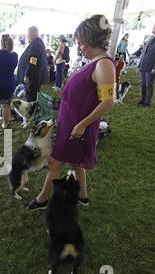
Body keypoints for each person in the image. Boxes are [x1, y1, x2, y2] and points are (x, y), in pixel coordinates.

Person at [27, 14, 116, 210]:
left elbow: (108, 101)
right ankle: (83, 196)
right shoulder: (97, 62)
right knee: (77, 163)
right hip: (73, 124)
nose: (80, 47)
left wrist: (82, 124)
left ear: (93, 39)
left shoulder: (103, 64)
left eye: (83, 43)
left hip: (77, 128)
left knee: (55, 164)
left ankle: (41, 199)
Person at [16, 26, 48, 102]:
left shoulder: (36, 44)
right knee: (31, 97)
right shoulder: (37, 42)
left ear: (33, 33)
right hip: (34, 77)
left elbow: (33, 60)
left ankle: (31, 112)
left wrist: (27, 75)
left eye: (28, 33)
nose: (27, 36)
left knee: (31, 99)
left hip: (33, 78)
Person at [137, 22, 155, 108]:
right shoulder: (150, 38)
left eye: (154, 26)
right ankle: (142, 99)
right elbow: (145, 51)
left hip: (151, 66)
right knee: (143, 84)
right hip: (143, 64)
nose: (153, 27)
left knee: (149, 84)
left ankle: (147, 102)